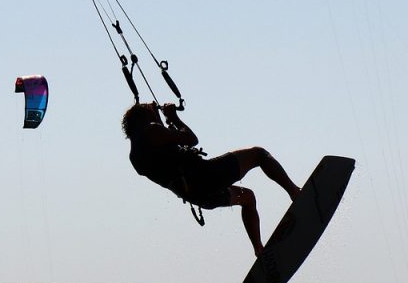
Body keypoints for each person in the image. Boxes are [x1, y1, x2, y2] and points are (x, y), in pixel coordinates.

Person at [122, 102, 301, 256]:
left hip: (198, 196)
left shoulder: (135, 156)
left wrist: (161, 121)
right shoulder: (151, 131)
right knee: (259, 154)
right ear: (144, 119)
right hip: (206, 176)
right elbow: (191, 139)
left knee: (248, 198)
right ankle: (294, 192)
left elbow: (165, 153)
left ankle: (259, 250)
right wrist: (173, 117)